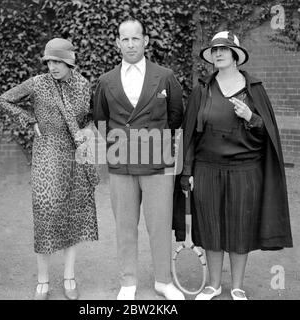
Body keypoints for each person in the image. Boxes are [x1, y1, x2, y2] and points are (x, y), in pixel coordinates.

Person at [173, 31, 293, 300]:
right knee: (212, 228)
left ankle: (237, 287)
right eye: (214, 50)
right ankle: (214, 285)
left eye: (224, 49)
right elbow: (190, 133)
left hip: (245, 170)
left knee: (240, 229)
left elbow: (267, 134)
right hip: (207, 169)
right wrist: (187, 172)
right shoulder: (201, 90)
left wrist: (251, 116)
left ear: (236, 54)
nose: (218, 53)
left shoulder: (254, 91)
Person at [0, 38, 99, 300]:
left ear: (69, 62)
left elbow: (87, 117)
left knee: (73, 216)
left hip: (75, 156)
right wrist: (29, 120)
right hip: (46, 153)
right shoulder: (38, 83)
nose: (52, 66)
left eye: (58, 61)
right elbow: (5, 100)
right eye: (49, 61)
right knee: (45, 213)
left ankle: (69, 277)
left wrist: (87, 129)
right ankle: (42, 280)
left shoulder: (83, 85)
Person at [93, 18, 185, 300]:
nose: (130, 44)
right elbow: (100, 119)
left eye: (136, 38)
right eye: (125, 39)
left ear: (145, 41)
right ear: (117, 42)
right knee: (125, 225)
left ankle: (163, 281)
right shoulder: (106, 80)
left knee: (159, 224)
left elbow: (176, 115)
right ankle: (128, 282)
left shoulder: (165, 76)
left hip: (157, 161)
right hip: (121, 162)